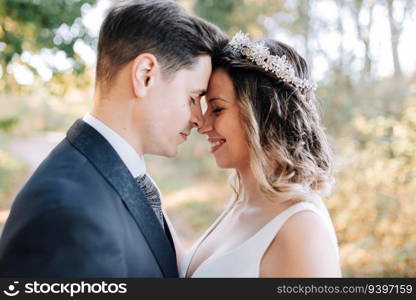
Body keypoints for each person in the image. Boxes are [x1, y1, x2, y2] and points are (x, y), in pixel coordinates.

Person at [0, 0, 226, 277]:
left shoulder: (122, 175)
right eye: (193, 98)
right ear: (145, 76)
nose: (198, 119)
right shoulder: (67, 212)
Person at [180, 32, 342, 277]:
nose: (202, 125)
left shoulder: (301, 228)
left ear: (264, 114)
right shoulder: (241, 204)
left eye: (217, 109)